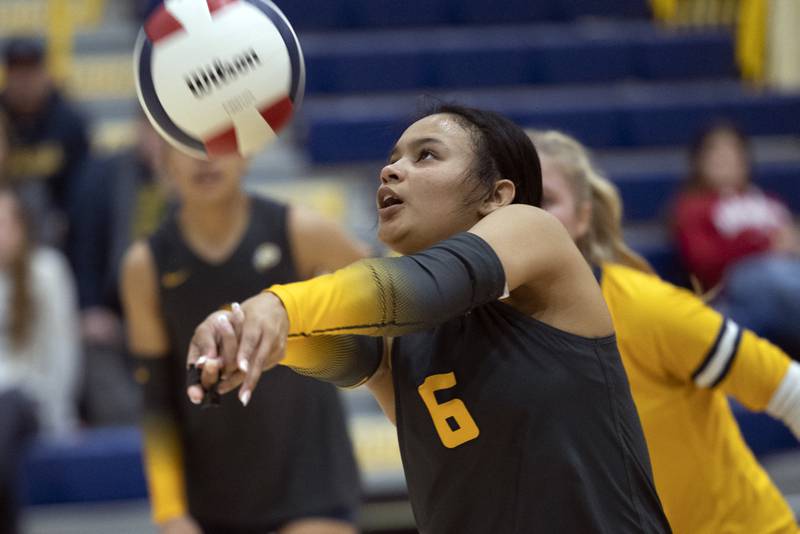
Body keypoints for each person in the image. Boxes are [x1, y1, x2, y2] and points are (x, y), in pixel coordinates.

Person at [186, 104, 671, 533]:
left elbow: (420, 287)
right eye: (393, 157)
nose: (391, 171)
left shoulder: (534, 229)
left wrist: (278, 305)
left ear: (496, 195)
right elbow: (338, 344)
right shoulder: (399, 332)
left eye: (426, 156)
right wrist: (246, 337)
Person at [531, 128, 800, 534]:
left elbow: (789, 389)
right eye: (514, 200)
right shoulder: (490, 332)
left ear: (585, 216)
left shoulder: (645, 308)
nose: (528, 216)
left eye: (546, 200)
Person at [120, 141, 366, 534]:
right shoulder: (145, 265)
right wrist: (170, 513)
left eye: (219, 141)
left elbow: (388, 296)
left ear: (247, 152)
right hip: (210, 500)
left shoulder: (301, 230)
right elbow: (157, 402)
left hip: (314, 485)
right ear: (162, 157)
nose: (205, 157)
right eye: (187, 144)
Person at [71, 116, 168, 425]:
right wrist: (89, 307)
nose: (160, 141)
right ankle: (126, 439)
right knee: (91, 341)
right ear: (138, 128)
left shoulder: (194, 182)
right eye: (154, 129)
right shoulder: (105, 176)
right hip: (116, 314)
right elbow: (84, 247)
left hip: (173, 313)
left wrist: (174, 184)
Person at [673, 121, 800, 355]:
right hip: (737, 286)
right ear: (699, 161)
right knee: (775, 278)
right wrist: (762, 244)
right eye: (715, 150)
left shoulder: (770, 201)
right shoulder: (694, 206)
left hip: (787, 275)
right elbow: (702, 261)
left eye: (732, 150)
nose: (725, 157)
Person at [0, 185, 82, 533]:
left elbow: (63, 356)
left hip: (28, 402)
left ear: (21, 225)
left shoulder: (47, 270)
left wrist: (58, 416)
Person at [0, 36, 90, 246]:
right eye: (17, 71)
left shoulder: (70, 121)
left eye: (31, 70)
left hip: (60, 229)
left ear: (45, 73)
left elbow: (84, 185)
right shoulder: (2, 118)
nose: (24, 79)